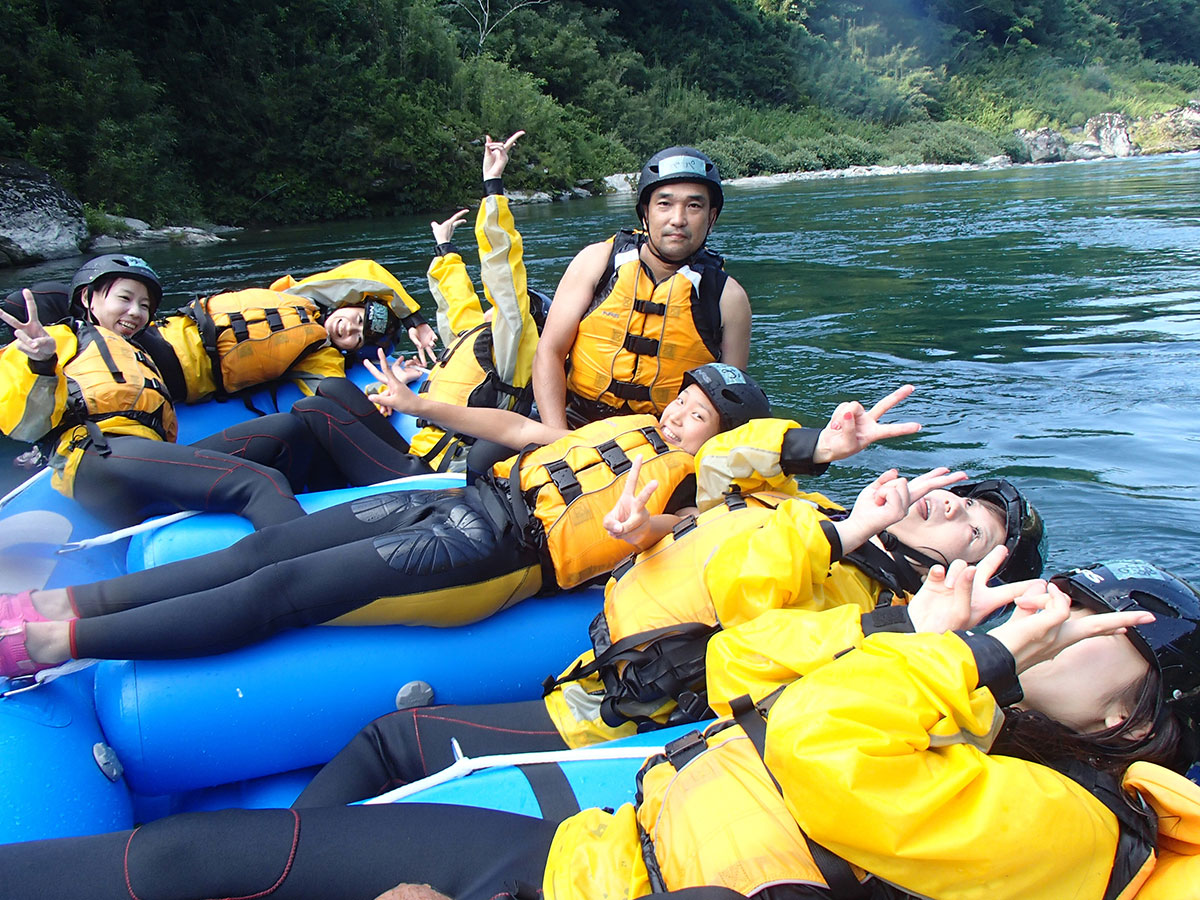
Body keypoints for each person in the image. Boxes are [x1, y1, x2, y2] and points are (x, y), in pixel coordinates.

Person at [3, 560, 1197, 900]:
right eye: (1064, 598)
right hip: (594, 848)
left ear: (1131, 721)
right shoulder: (971, 716)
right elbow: (766, 689)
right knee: (194, 855)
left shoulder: (1085, 833)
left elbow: (825, 755)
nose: (1058, 616)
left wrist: (971, 649)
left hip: (607, 877)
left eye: (1104, 626)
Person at [292, 452, 1044, 807]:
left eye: (974, 530)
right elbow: (715, 518)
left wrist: (847, 536)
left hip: (631, 713)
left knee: (390, 742)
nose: (953, 506)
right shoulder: (828, 518)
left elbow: (740, 607)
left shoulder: (878, 600)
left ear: (975, 570)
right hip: (608, 662)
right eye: (962, 497)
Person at [0, 360, 774, 677]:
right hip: (452, 500)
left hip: (495, 555)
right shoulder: (630, 430)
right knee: (266, 548)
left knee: (280, 589)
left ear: (721, 441)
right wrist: (417, 403)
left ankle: (48, 644)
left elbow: (673, 539)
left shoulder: (692, 493)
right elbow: (515, 430)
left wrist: (643, 531)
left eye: (697, 417)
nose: (677, 417)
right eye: (681, 401)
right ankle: (54, 601)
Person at [288, 131, 544, 486]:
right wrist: (444, 249)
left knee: (313, 410)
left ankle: (309, 493)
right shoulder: (477, 339)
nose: (493, 311)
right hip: (413, 451)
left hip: (428, 473)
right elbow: (458, 300)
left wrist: (493, 187)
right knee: (333, 391)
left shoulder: (509, 348)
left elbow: (504, 271)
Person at [0, 261, 314, 533]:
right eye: (124, 298)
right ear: (88, 298)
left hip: (145, 463)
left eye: (144, 305)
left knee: (285, 430)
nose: (135, 312)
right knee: (258, 481)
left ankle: (313, 513)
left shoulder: (140, 353)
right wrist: (42, 363)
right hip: (98, 459)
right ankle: (311, 562)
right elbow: (26, 425)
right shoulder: (56, 339)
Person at [533, 146, 752, 429]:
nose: (678, 219)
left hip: (666, 436)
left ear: (711, 217)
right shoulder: (597, 261)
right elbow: (549, 352)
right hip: (575, 422)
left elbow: (730, 403)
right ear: (645, 212)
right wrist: (559, 439)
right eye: (664, 204)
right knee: (489, 449)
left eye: (694, 206)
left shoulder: (729, 299)